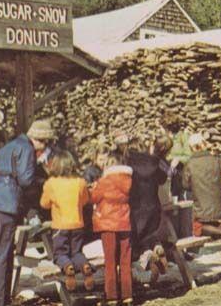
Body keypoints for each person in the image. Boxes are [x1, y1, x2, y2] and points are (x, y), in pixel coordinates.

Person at [0, 119, 53, 306]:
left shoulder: (10, 145)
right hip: (7, 204)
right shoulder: (27, 148)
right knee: (2, 254)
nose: (44, 147)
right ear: (40, 139)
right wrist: (43, 181)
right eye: (45, 142)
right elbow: (26, 180)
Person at [40, 149, 94, 292]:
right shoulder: (80, 182)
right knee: (76, 252)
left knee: (60, 254)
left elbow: (43, 204)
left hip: (60, 226)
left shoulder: (51, 183)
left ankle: (67, 266)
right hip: (77, 224)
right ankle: (84, 265)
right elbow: (86, 200)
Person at [127, 135, 173, 283]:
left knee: (134, 242)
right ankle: (156, 247)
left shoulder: (128, 166)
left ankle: (147, 256)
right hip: (153, 209)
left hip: (135, 211)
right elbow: (163, 179)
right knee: (148, 235)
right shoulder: (153, 162)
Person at [90, 154, 134, 306]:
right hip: (125, 222)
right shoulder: (130, 181)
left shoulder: (103, 182)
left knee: (110, 261)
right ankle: (128, 295)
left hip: (107, 224)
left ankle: (112, 296)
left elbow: (93, 198)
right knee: (125, 260)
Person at [183, 133, 221, 252]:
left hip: (201, 207)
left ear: (192, 148)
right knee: (212, 222)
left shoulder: (190, 165)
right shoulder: (216, 160)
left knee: (197, 228)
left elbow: (185, 185)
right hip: (219, 206)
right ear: (203, 145)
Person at [160, 112, 192, 200]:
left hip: (179, 172)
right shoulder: (162, 138)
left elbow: (189, 156)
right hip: (165, 172)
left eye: (162, 127)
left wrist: (178, 159)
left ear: (167, 127)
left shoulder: (183, 137)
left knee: (179, 198)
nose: (160, 129)